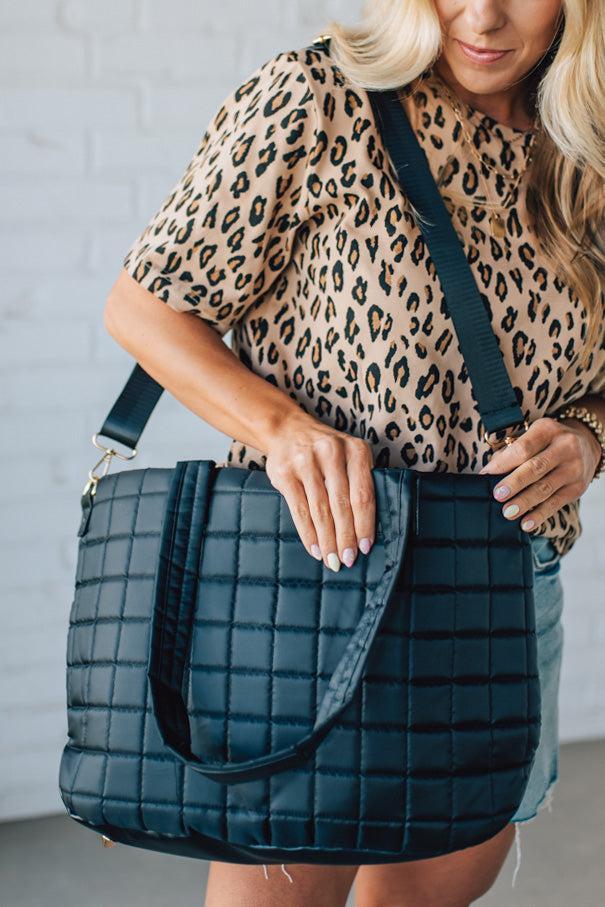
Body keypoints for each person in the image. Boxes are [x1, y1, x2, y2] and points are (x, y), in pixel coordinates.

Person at [104, 1, 605, 904]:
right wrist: (281, 429)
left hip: (498, 588)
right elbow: (145, 307)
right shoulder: (319, 96)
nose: (483, 15)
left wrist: (585, 437)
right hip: (315, 579)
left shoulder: (587, 149)